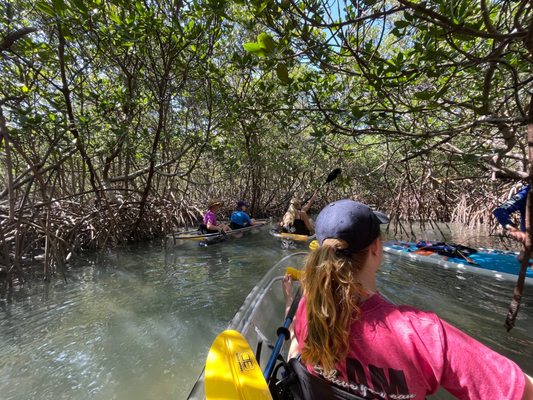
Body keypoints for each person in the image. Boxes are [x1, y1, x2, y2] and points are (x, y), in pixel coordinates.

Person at [282, 199, 533, 400]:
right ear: (376, 249)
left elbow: (295, 348)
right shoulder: (424, 334)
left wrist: (289, 305)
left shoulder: (309, 310)